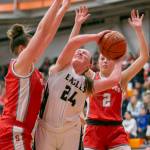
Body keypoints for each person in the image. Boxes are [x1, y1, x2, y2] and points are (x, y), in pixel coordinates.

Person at [35, 6, 123, 150]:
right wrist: (84, 29)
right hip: (46, 128)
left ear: (90, 64)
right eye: (78, 51)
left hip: (71, 131)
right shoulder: (61, 67)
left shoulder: (88, 84)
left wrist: (119, 59)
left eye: (85, 53)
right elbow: (72, 43)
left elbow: (114, 81)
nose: (80, 51)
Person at [0, 0, 70, 149]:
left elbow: (48, 36)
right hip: (12, 131)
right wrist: (57, 2)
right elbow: (42, 31)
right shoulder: (19, 65)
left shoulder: (33, 70)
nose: (38, 46)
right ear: (21, 49)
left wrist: (63, 9)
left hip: (23, 132)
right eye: (33, 45)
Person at [83, 9, 149, 150]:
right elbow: (73, 60)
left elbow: (144, 57)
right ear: (97, 62)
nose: (105, 61)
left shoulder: (121, 78)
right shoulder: (91, 76)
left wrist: (138, 30)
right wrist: (78, 25)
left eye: (108, 58)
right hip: (94, 129)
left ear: (115, 60)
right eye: (102, 58)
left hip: (115, 130)